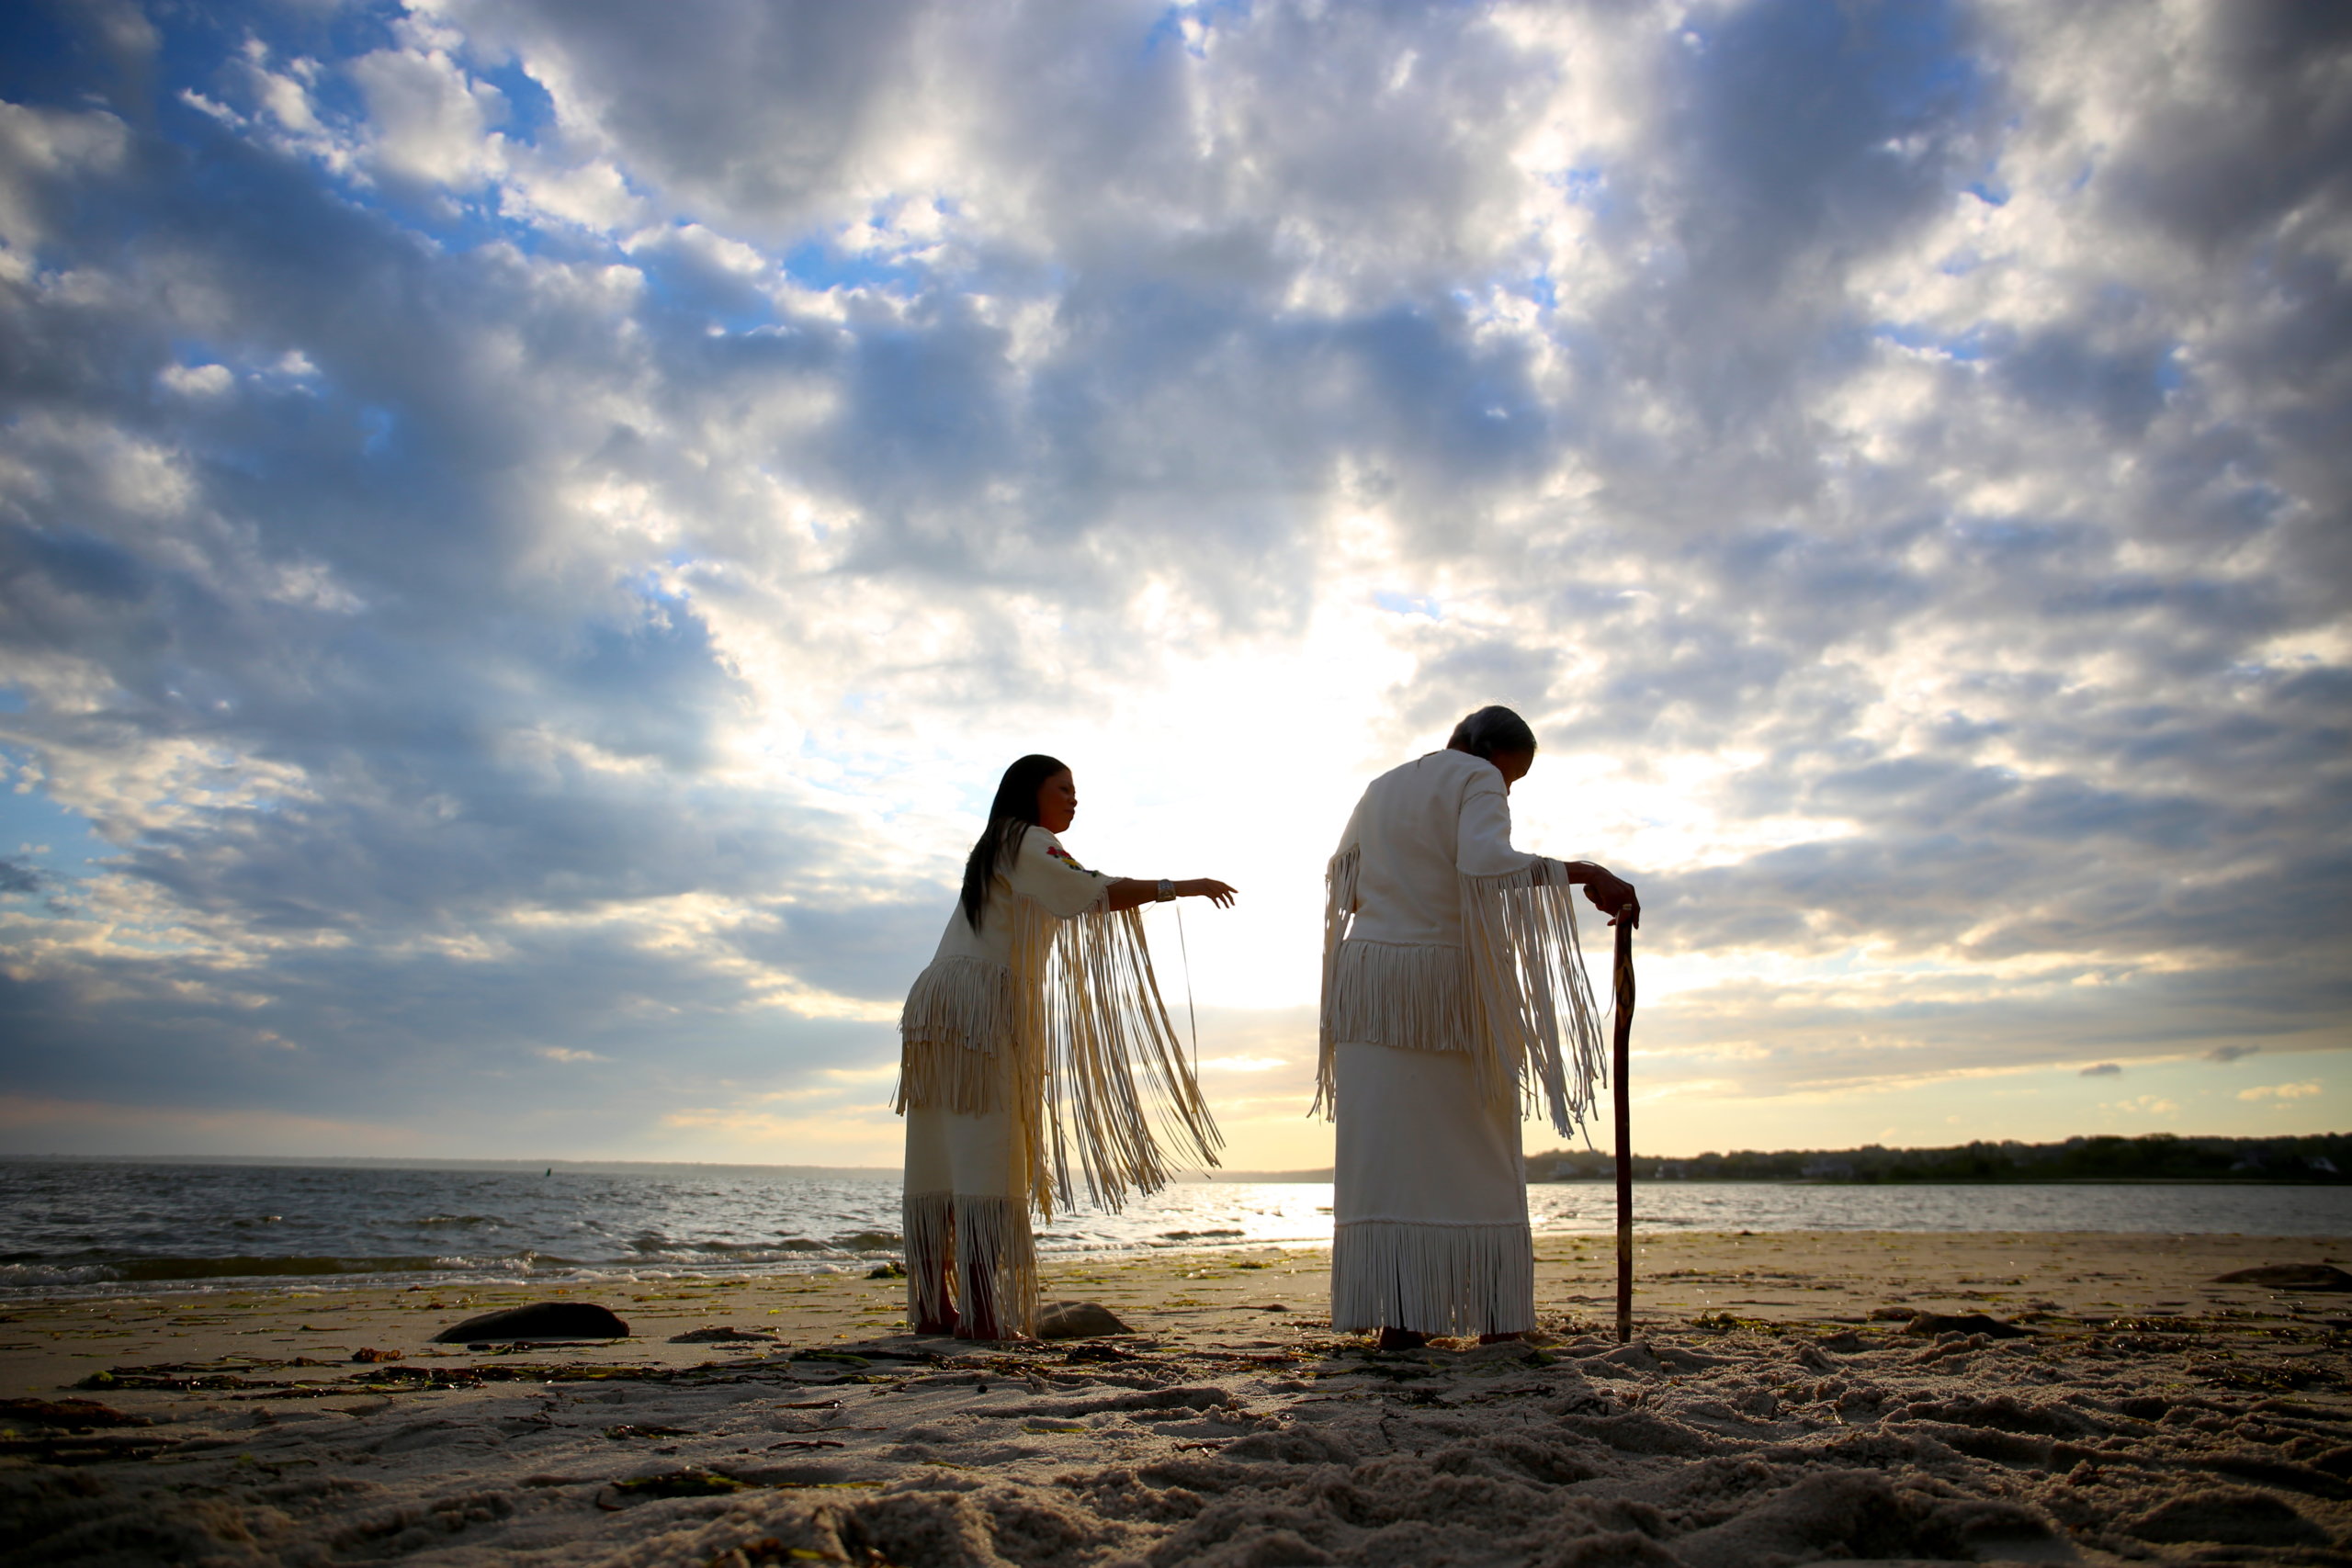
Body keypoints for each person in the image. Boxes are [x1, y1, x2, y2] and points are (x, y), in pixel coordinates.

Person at [1318, 705, 1638, 1348]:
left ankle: (1402, 1318)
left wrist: (1403, 898)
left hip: (1368, 983)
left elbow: (1342, 881)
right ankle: (1499, 1320)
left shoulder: (1382, 787)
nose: (1507, 789)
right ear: (1489, 752)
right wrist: (1586, 873)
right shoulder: (1476, 777)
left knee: (1390, 1155)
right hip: (1443, 985)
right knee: (1482, 1149)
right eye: (1512, 778)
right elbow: (1486, 862)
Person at [896, 753, 1238, 1339]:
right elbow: (1088, 890)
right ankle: (978, 1311)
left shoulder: (995, 844)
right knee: (987, 1149)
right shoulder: (1031, 839)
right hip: (980, 1004)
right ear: (1031, 792)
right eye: (1064, 789)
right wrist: (1177, 887)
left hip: (937, 1002)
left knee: (940, 1153)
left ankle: (935, 1307)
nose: (1074, 799)